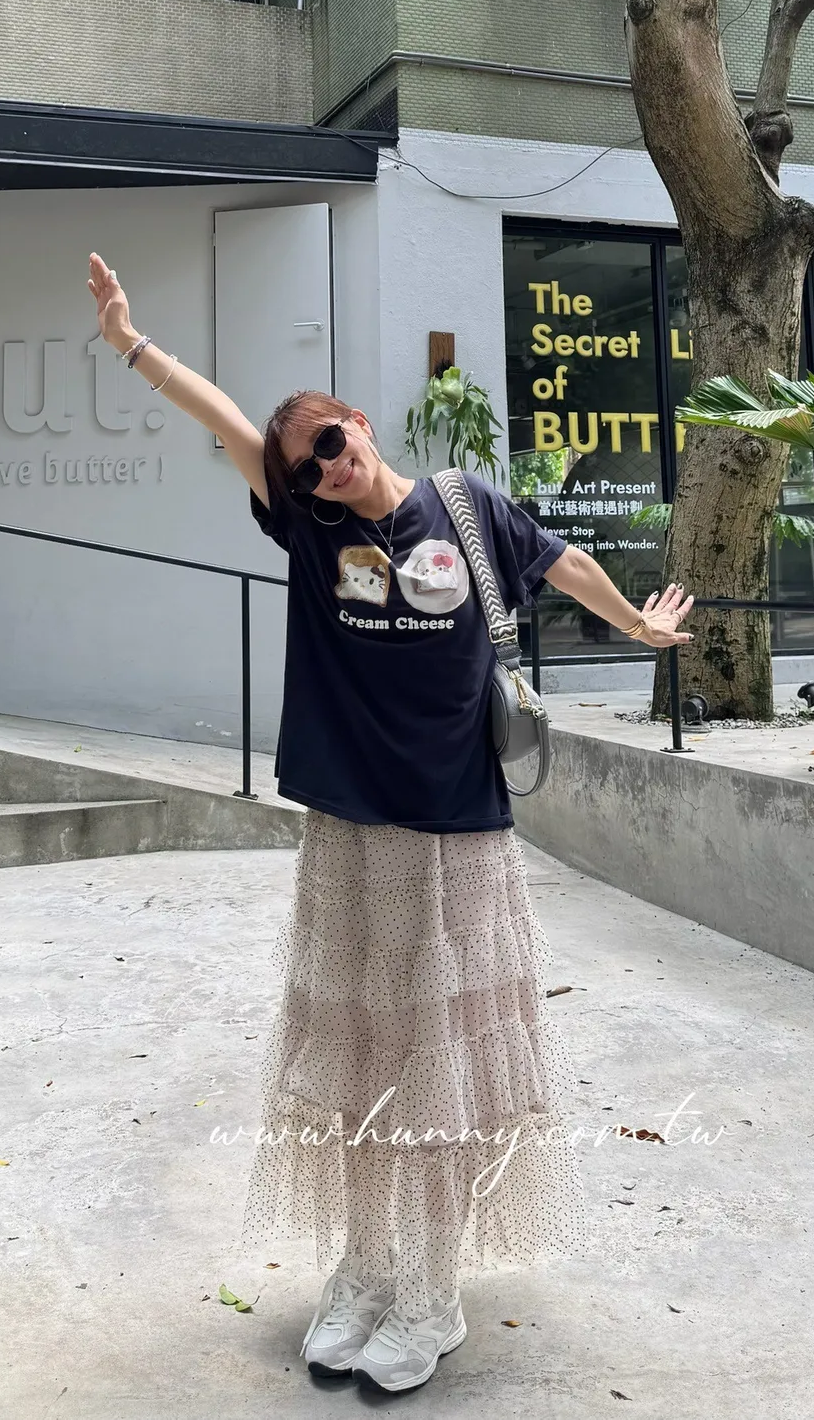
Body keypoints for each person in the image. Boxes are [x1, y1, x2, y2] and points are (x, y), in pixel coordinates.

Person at [87, 251, 693, 1395]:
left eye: (331, 441)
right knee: (361, 1055)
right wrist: (130, 343)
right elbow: (224, 418)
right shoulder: (313, 531)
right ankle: (367, 1269)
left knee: (436, 1068)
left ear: (358, 422)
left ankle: (432, 1292)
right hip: (351, 828)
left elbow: (565, 563)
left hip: (452, 831)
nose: (326, 467)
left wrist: (638, 627)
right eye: (306, 467)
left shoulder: (465, 507)